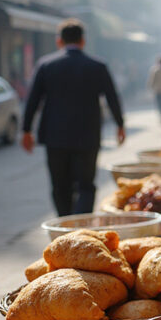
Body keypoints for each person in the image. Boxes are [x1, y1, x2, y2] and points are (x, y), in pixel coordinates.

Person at [22, 19, 125, 216]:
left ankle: (65, 225)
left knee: (60, 186)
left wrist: (26, 130)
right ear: (83, 41)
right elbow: (112, 97)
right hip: (87, 136)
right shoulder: (97, 66)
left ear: (59, 41)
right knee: (86, 185)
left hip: (55, 137)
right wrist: (120, 125)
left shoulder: (46, 65)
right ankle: (80, 225)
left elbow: (32, 100)